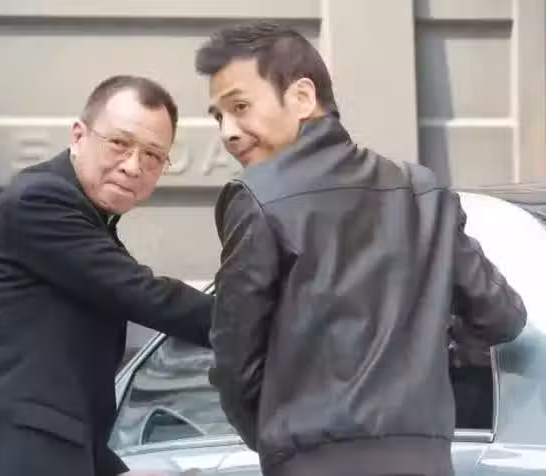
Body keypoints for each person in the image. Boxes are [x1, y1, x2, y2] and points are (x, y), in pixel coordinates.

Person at [195, 21, 527, 476]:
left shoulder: (256, 196)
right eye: (218, 117)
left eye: (240, 107)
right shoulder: (422, 191)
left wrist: (281, 437)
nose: (228, 132)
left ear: (302, 97)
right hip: (425, 461)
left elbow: (235, 362)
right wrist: (435, 352)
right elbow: (501, 315)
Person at [0, 75, 212, 476]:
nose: (133, 167)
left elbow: (65, 396)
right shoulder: (40, 200)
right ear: (78, 136)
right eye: (120, 143)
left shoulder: (90, 223)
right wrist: (259, 322)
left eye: (152, 155)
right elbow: (142, 293)